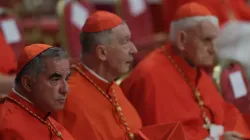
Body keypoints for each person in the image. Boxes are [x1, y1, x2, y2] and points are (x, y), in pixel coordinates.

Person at [121, 2, 250, 140]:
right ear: (182, 40)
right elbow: (163, 135)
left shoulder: (194, 68)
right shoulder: (150, 77)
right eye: (206, 40)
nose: (213, 49)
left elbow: (227, 114)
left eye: (214, 40)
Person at [53, 10, 142, 140]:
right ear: (102, 53)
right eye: (125, 42)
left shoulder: (112, 87)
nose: (134, 50)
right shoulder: (68, 98)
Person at [0, 44, 74, 140]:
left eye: (66, 79)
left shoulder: (43, 114)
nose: (65, 89)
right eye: (55, 80)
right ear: (28, 83)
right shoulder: (9, 127)